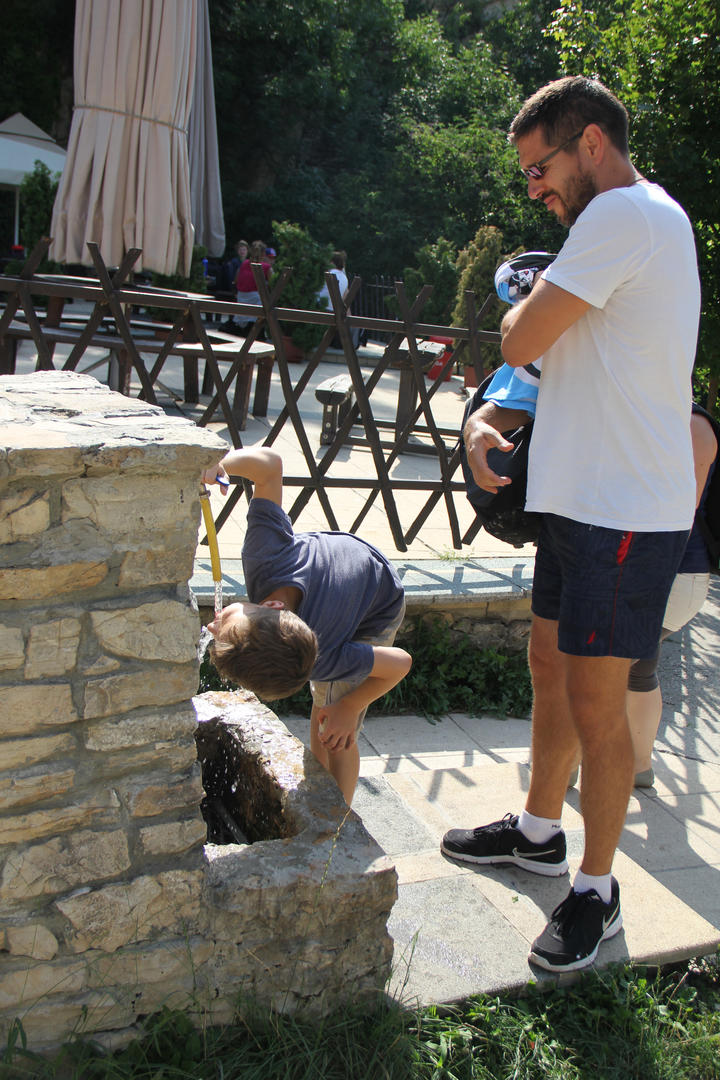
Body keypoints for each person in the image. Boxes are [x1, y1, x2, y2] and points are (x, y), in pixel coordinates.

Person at [442, 75, 701, 972]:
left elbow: (520, 338)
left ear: (591, 142)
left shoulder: (622, 215)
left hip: (619, 514)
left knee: (598, 705)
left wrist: (527, 303)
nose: (533, 190)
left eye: (539, 168)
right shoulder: (638, 222)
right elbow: (556, 362)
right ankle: (538, 832)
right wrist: (487, 418)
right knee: (550, 667)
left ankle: (597, 893)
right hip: (583, 503)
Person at [468, 361, 717, 787]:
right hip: (681, 575)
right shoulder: (690, 424)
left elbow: (672, 520)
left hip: (663, 571)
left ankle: (563, 769)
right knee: (638, 668)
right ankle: (638, 766)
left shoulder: (681, 426)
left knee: (588, 671)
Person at [202, 447, 412, 805]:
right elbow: (269, 467)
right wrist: (219, 465)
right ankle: (320, 782)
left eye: (222, 625)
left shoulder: (327, 656)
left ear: (273, 607)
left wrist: (351, 707)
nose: (215, 622)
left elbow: (400, 663)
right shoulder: (266, 553)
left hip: (377, 605)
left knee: (337, 730)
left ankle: (339, 819)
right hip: (346, 566)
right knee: (324, 706)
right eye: (225, 625)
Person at [234, 240, 272, 330]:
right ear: (264, 254)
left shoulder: (244, 264)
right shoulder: (266, 267)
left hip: (241, 298)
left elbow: (236, 280)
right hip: (256, 301)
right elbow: (272, 284)